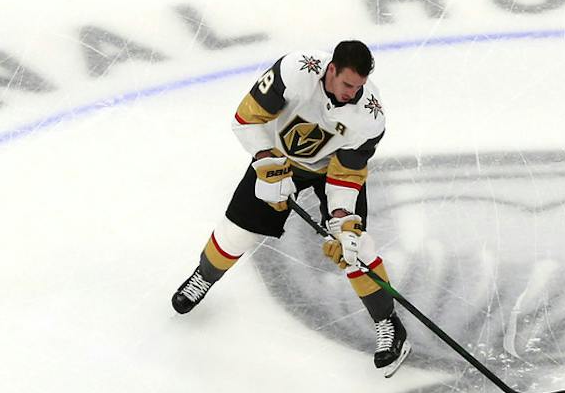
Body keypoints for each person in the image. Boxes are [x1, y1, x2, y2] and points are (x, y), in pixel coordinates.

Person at [170, 39, 404, 375]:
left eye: (360, 87)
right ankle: (203, 277)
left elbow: (347, 173)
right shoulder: (296, 70)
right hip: (277, 156)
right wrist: (267, 162)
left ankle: (389, 323)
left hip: (329, 173)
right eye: (347, 84)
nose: (352, 93)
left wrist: (341, 222)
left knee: (356, 248)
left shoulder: (369, 116)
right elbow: (246, 118)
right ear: (332, 69)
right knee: (237, 233)